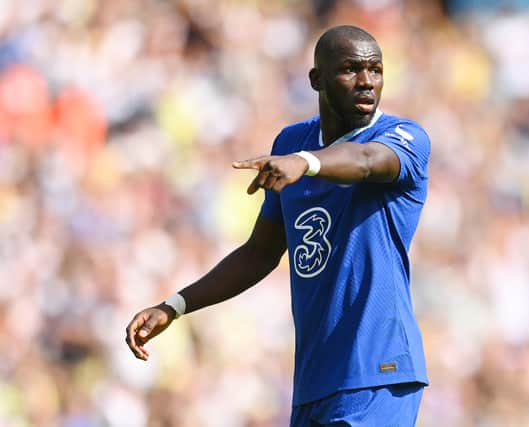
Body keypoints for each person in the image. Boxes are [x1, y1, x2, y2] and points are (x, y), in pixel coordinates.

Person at [126, 25, 431, 426]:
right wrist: (174, 306)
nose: (366, 82)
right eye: (351, 69)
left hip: (378, 369)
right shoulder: (291, 142)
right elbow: (260, 253)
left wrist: (308, 162)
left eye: (375, 70)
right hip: (314, 382)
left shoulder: (402, 136)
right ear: (316, 79)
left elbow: (367, 161)